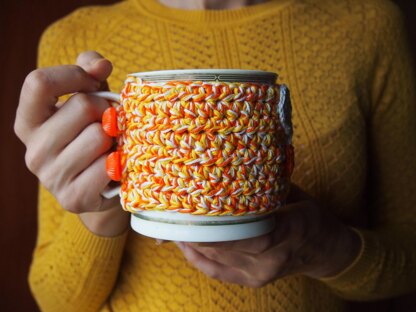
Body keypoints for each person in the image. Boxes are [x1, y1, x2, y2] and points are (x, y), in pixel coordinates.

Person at [14, 0, 416, 311]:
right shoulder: (75, 38)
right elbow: (56, 299)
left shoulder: (367, 26)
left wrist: (325, 249)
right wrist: (107, 196)